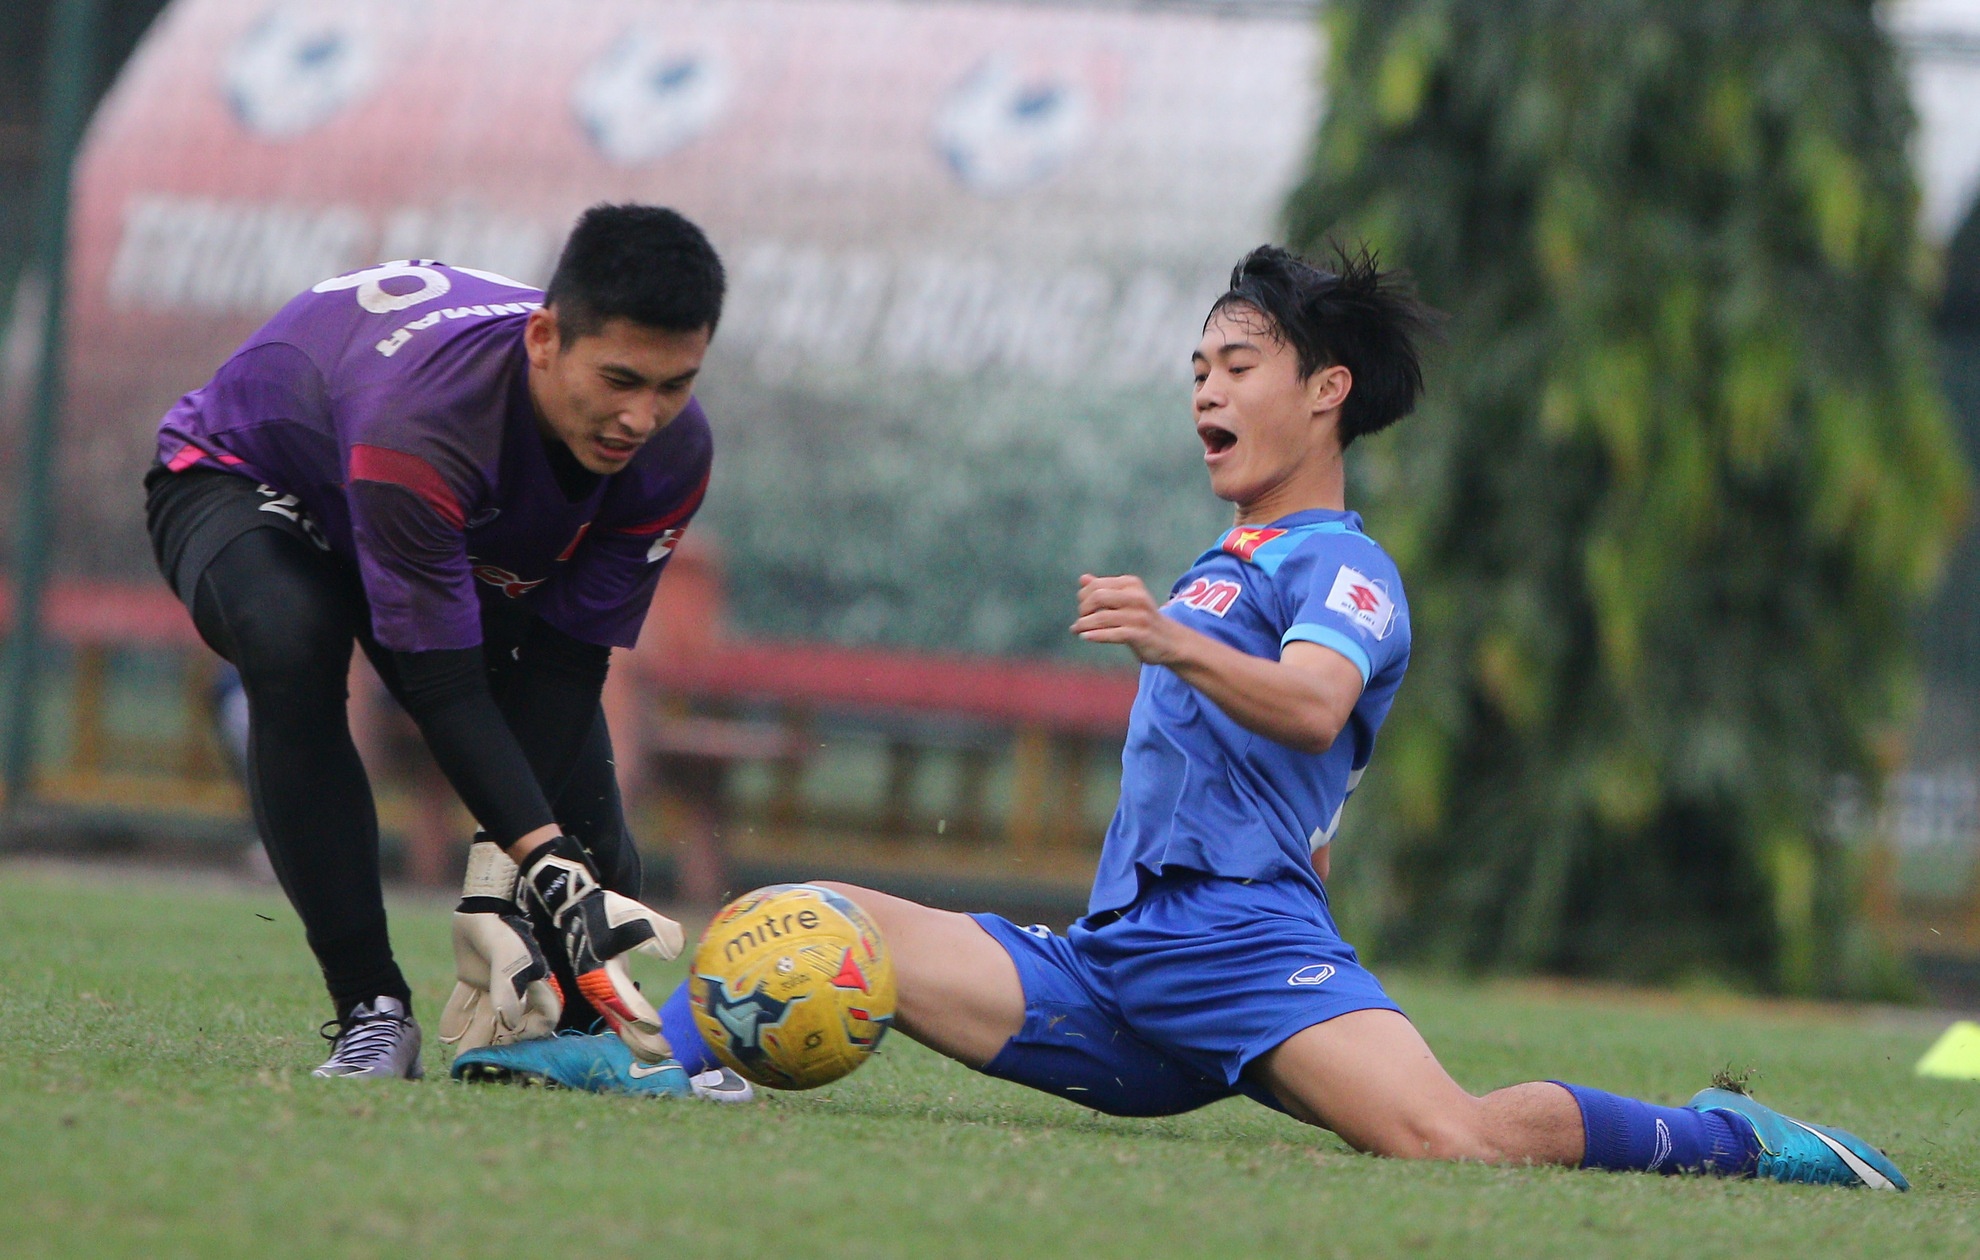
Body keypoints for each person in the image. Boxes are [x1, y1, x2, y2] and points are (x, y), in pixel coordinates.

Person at [458, 244, 1908, 1188]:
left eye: (1236, 363)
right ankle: (639, 1066)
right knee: (810, 910)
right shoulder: (1237, 561)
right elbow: (1291, 767)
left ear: (1325, 393)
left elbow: (1316, 703)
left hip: (1241, 955)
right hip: (1116, 965)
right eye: (1198, 369)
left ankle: (1748, 1143)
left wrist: (1166, 639)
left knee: (1452, 1140)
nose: (1204, 389)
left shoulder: (1342, 565)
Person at [145, 203, 746, 1098]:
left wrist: (513, 880)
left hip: (428, 523)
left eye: (674, 385)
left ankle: (585, 1031)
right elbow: (440, 687)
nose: (640, 416)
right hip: (249, 484)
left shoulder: (672, 456)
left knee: (582, 821)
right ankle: (370, 1013)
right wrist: (534, 862)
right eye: (619, 378)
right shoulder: (423, 422)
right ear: (544, 339)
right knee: (292, 641)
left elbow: (565, 671)